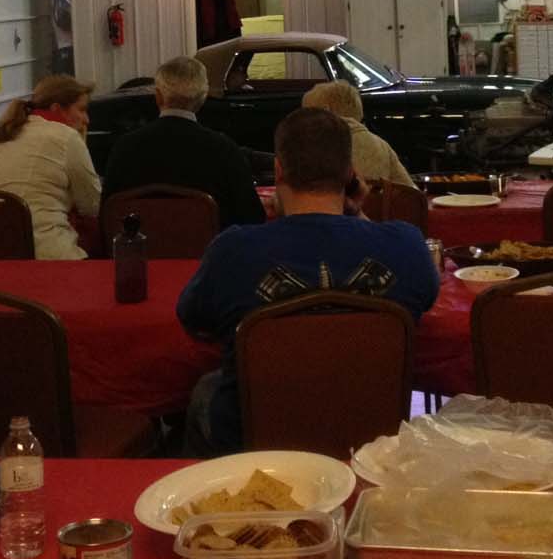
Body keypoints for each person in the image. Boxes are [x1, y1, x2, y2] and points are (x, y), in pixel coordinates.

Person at [177, 107, 440, 455]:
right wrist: (357, 210)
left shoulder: (232, 251)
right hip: (371, 443)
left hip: (256, 445)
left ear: (279, 170)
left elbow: (194, 320)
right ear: (349, 174)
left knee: (203, 390)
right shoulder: (406, 246)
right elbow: (427, 295)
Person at [102, 56, 263, 231]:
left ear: (158, 97)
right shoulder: (225, 150)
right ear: (202, 99)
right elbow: (253, 219)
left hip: (141, 254)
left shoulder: (124, 148)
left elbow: (107, 216)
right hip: (209, 256)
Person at [0, 75, 100, 260]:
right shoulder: (65, 136)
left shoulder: (8, 132)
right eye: (82, 110)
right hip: (49, 251)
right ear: (56, 109)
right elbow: (92, 205)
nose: (87, 119)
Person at [300, 80, 415, 188]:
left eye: (307, 113)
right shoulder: (382, 146)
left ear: (324, 112)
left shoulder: (310, 147)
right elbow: (411, 192)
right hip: (376, 209)